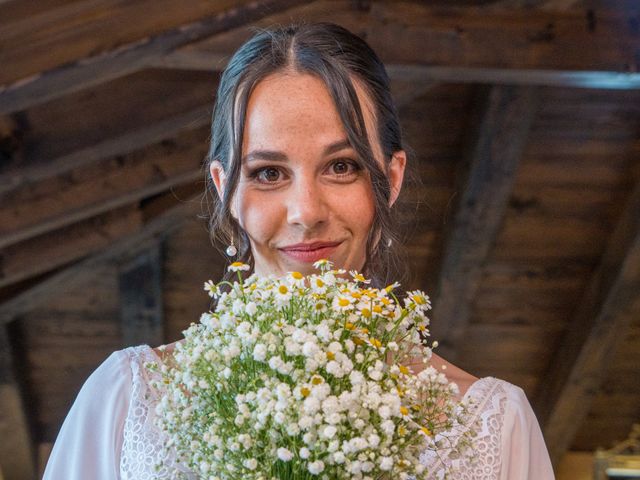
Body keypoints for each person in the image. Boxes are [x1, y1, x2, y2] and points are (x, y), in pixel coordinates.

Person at [43, 23, 555, 479]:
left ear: (391, 179)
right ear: (225, 188)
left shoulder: (494, 424)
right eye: (268, 173)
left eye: (342, 166)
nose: (305, 211)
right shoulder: (127, 401)